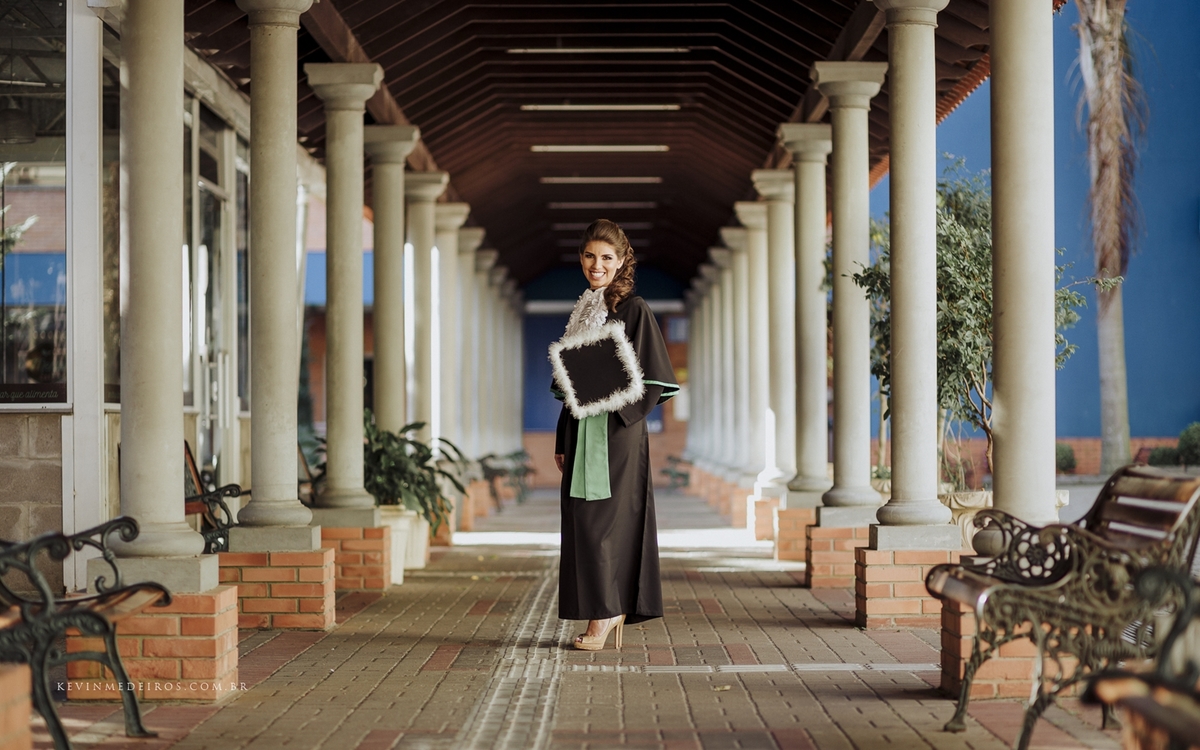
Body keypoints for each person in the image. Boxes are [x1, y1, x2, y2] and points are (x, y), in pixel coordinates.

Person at [552, 219, 679, 651]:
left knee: (604, 523)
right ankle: (606, 607)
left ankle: (605, 614)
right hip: (580, 431)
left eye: (607, 257)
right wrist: (562, 439)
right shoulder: (584, 309)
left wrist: (615, 415)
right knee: (582, 523)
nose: (597, 264)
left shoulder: (634, 310)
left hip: (616, 434)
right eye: (590, 256)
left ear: (622, 261)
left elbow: (656, 382)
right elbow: (570, 387)